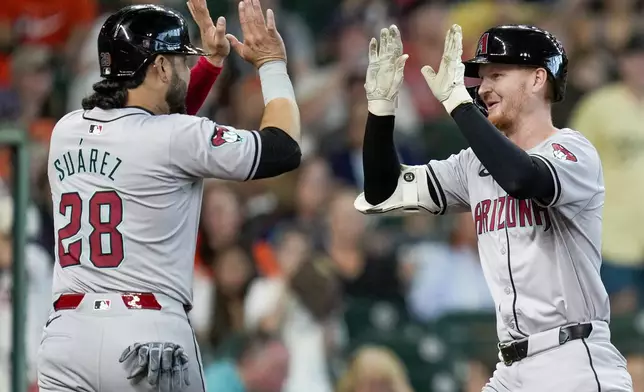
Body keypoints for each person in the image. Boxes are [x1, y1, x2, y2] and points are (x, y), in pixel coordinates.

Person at [37, 0, 301, 390]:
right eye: (181, 60)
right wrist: (272, 63)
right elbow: (283, 148)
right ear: (159, 67)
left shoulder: (66, 130)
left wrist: (209, 65)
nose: (185, 68)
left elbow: (156, 134)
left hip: (67, 337)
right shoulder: (174, 138)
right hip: (147, 334)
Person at [355, 23, 633, 391]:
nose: (482, 89)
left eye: (497, 75)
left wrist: (458, 104)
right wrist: (380, 110)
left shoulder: (572, 151)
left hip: (572, 360)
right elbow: (381, 191)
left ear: (537, 79)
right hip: (510, 369)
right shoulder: (474, 164)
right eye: (480, 78)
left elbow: (522, 179)